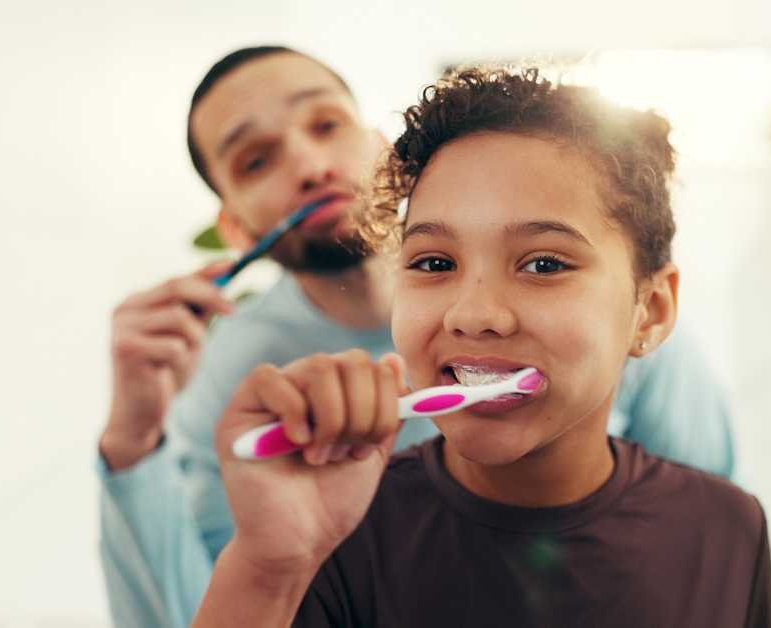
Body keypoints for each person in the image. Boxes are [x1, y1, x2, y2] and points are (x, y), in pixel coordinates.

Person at [98, 47, 738, 627]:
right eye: (256, 161)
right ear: (236, 229)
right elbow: (195, 608)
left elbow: (701, 550)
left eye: (326, 125)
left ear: (382, 151)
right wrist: (133, 441)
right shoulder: (234, 378)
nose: (311, 166)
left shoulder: (608, 323)